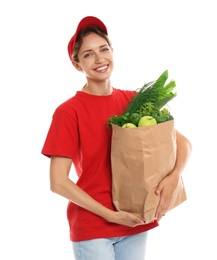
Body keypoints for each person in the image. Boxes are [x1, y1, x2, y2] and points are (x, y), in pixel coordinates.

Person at [41, 16, 192, 260]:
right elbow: (57, 181)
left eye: (104, 49)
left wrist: (175, 176)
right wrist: (110, 215)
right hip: (93, 226)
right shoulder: (69, 111)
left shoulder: (133, 101)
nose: (99, 59)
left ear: (113, 51)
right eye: (88, 54)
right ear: (77, 64)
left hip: (134, 220)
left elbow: (183, 143)